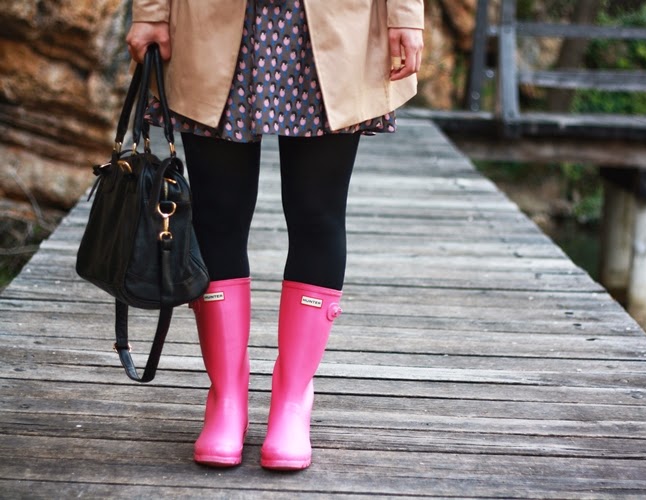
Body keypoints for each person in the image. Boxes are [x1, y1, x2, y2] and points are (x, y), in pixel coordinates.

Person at [126, 0, 424, 470]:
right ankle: (226, 399)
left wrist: (405, 14)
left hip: (335, 19)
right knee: (217, 215)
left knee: (318, 214)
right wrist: (150, 11)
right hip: (211, 19)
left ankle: (292, 401)